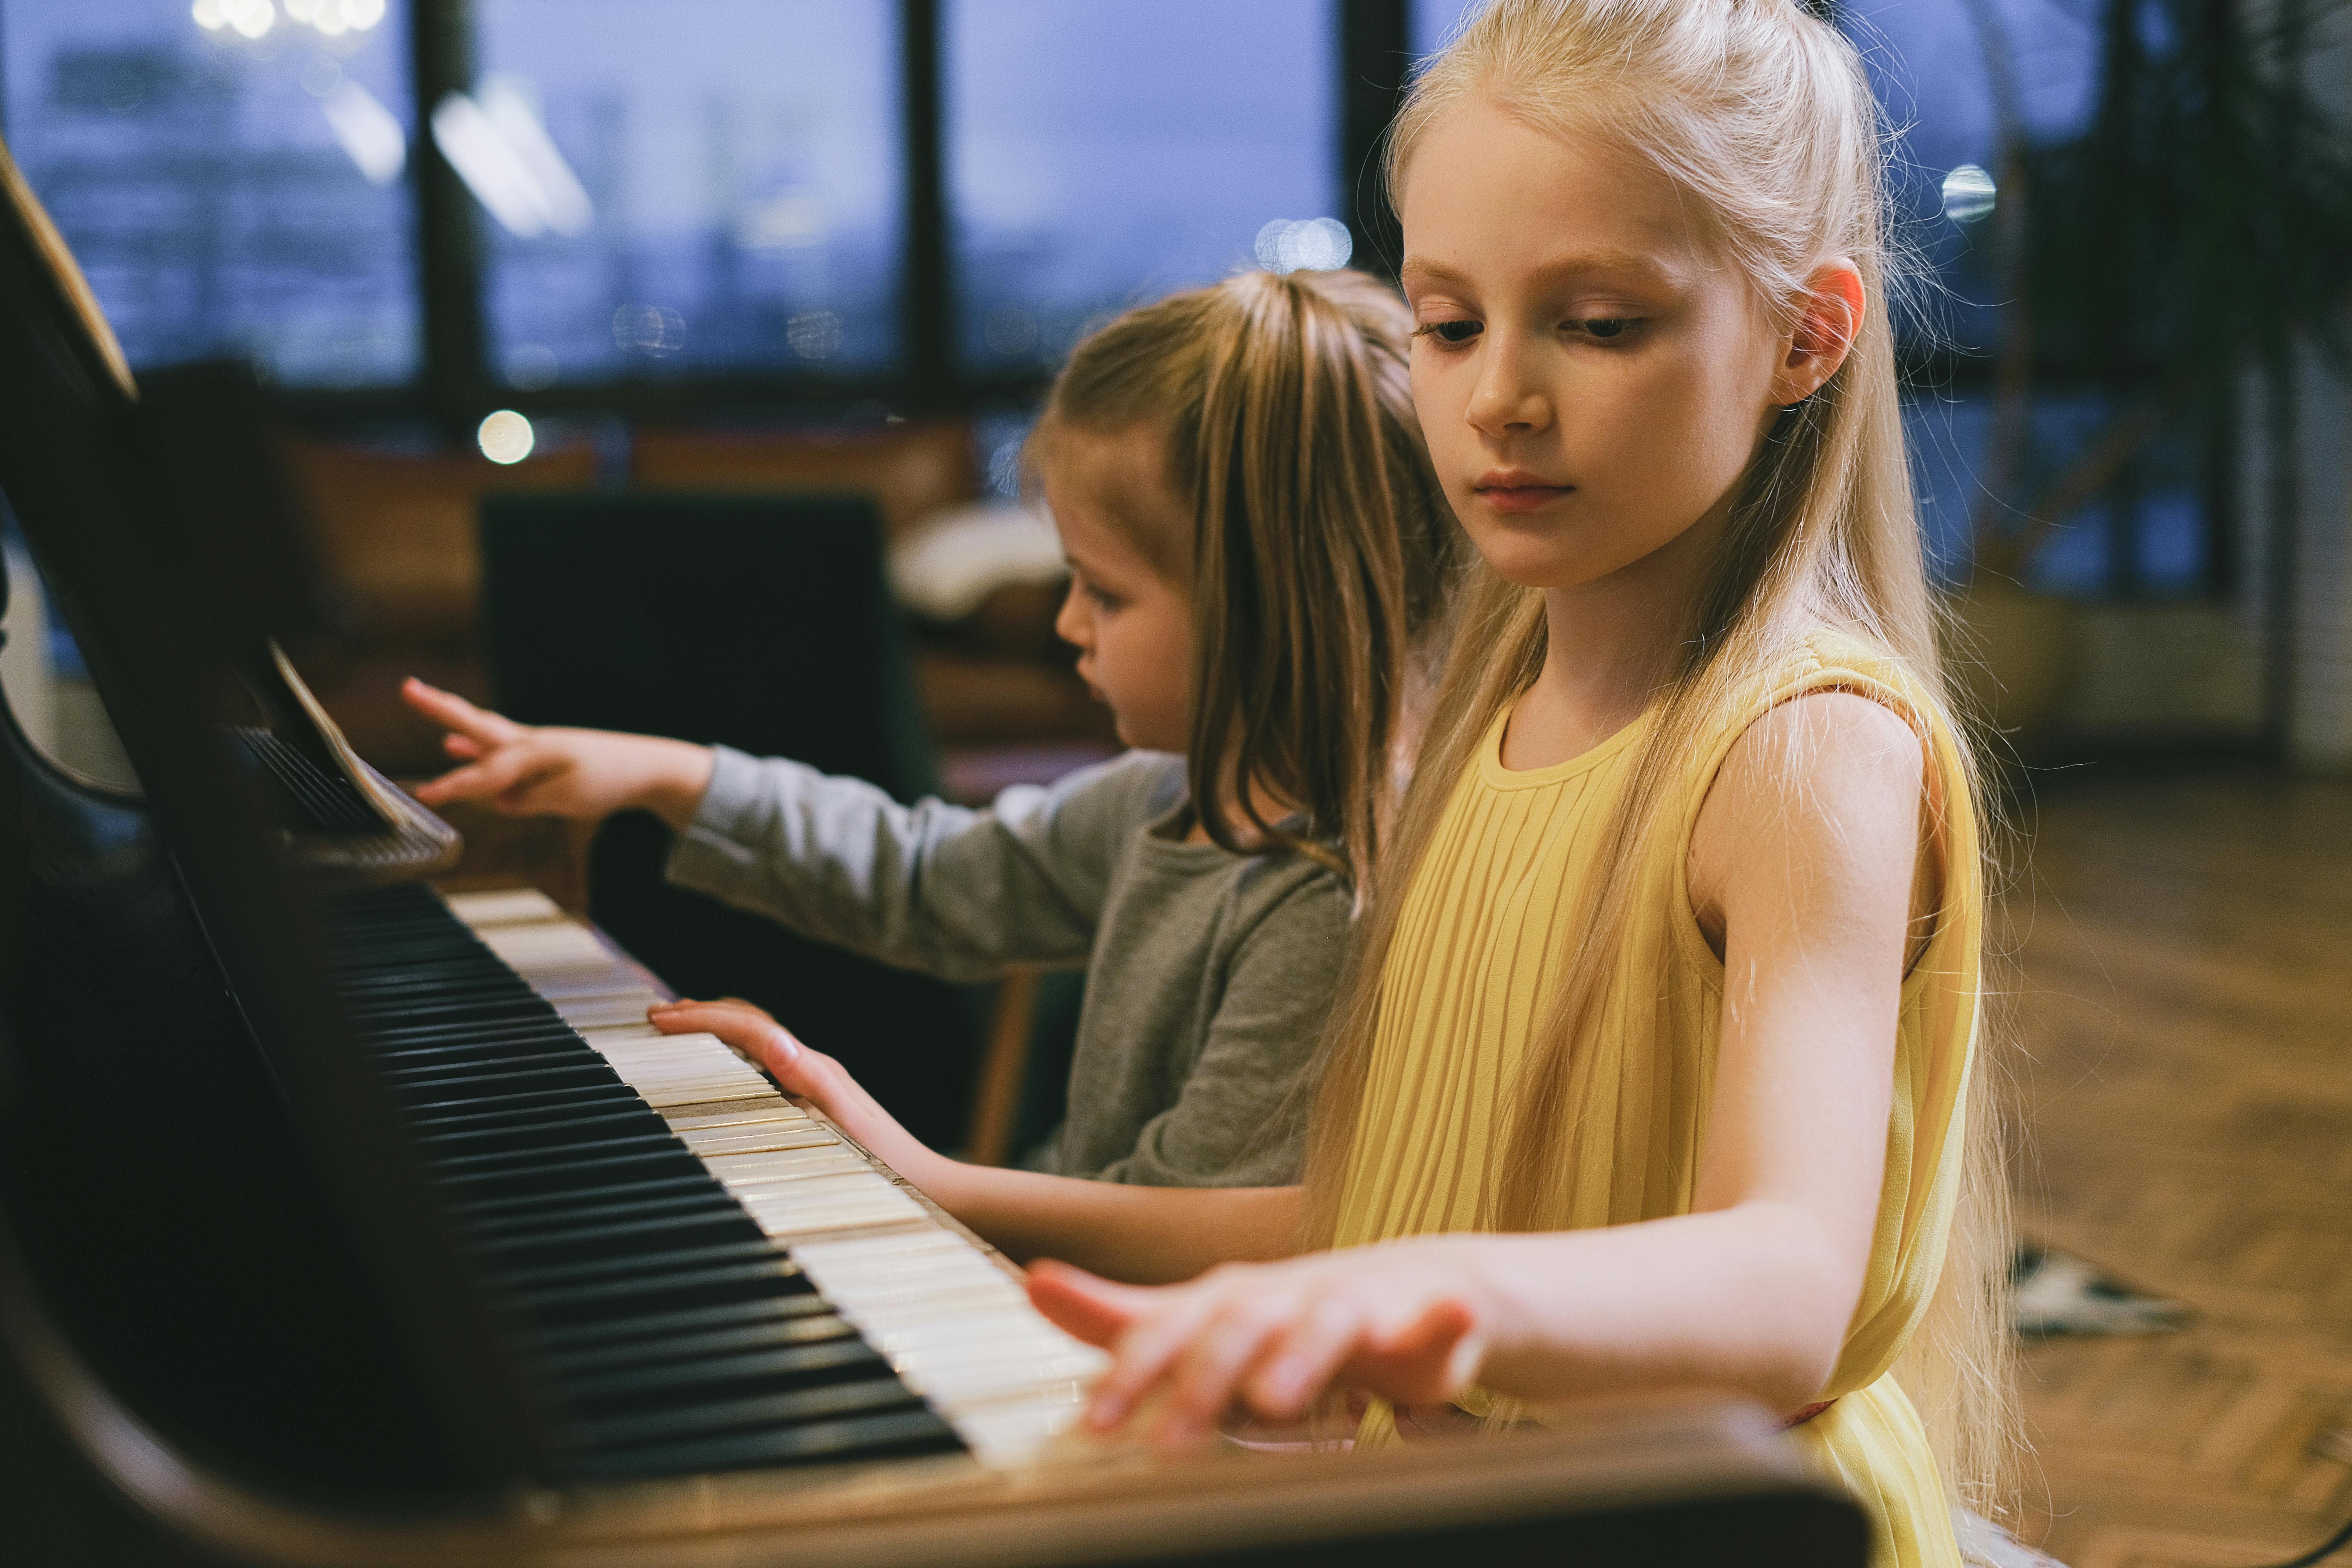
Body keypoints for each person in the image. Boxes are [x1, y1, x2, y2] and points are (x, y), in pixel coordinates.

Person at [686, 3, 2015, 1564]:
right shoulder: (1491, 715)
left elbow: (1783, 1284)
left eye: (1596, 323)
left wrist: (1409, 1302)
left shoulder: (1798, 748)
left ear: (1806, 336)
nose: (1499, 395)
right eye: (1450, 324)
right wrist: (952, 1186)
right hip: (1450, 1490)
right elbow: (1386, 1210)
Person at [404, 266, 1454, 1191]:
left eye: (1104, 593)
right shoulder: (1170, 796)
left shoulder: (1324, 887)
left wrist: (897, 1167)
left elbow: (1199, 1223)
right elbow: (929, 878)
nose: (1065, 622)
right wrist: (667, 775)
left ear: (1273, 606)